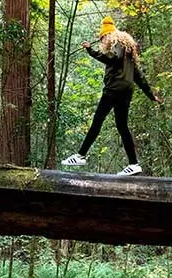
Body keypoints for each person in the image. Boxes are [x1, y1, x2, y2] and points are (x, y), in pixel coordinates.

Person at [62, 16, 161, 175]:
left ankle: (80, 155)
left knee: (97, 121)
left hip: (114, 89)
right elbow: (138, 76)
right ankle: (134, 164)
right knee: (122, 126)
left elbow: (112, 58)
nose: (102, 41)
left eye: (103, 38)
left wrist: (90, 51)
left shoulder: (117, 45)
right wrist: (151, 95)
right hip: (126, 90)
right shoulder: (128, 52)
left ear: (109, 35)